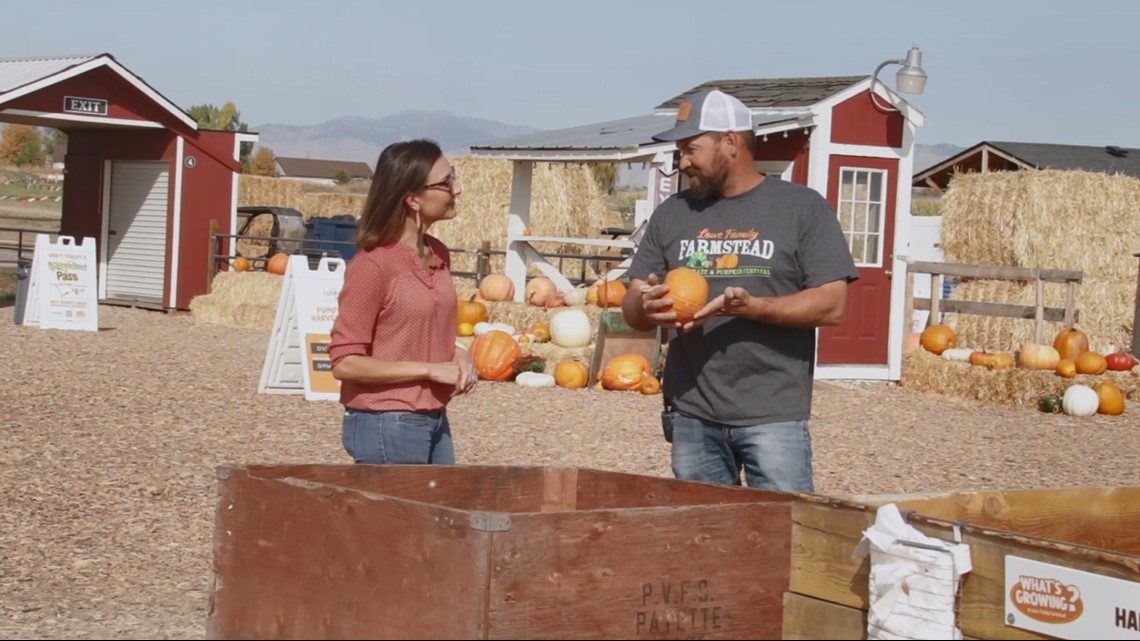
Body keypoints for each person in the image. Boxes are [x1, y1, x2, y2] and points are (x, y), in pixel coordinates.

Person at [621, 89, 859, 492]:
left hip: (774, 415)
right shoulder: (672, 214)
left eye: (691, 149)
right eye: (680, 151)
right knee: (706, 539)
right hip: (692, 414)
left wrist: (751, 308)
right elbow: (631, 302)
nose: (683, 161)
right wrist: (644, 305)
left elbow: (832, 305)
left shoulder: (802, 208)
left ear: (730, 142)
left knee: (782, 536)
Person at [328, 139, 477, 465]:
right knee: (401, 517)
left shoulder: (439, 253)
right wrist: (429, 371)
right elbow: (345, 363)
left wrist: (458, 353)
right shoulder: (373, 265)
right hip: (385, 421)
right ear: (412, 199)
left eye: (453, 177)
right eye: (446, 182)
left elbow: (417, 335)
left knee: (439, 517)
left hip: (435, 416)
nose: (457, 189)